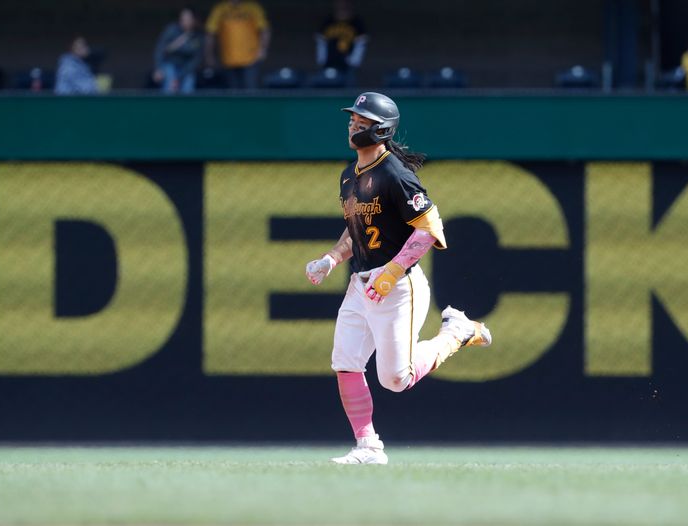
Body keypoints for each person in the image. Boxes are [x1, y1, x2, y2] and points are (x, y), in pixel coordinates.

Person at [305, 92, 492, 465]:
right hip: (361, 283)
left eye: (363, 121)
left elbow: (429, 228)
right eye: (353, 119)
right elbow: (356, 229)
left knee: (396, 379)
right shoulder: (349, 175)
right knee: (345, 361)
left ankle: (457, 332)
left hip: (397, 285)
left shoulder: (394, 174)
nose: (354, 124)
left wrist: (390, 274)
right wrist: (330, 258)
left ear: (382, 129)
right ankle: (368, 446)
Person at [205, 0, 271, 90]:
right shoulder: (220, 9)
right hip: (228, 59)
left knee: (251, 91)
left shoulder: (252, 7)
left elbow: (264, 30)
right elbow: (210, 33)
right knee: (233, 93)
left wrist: (263, 49)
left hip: (251, 59)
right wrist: (210, 55)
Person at [315, 0, 368, 85]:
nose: (342, 5)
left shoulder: (357, 22)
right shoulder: (328, 21)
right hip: (328, 63)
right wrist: (321, 60)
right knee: (323, 86)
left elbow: (361, 43)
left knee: (348, 86)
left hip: (348, 65)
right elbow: (321, 42)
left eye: (345, 3)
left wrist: (354, 61)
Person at [153, 7, 204, 94]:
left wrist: (179, 78)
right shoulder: (172, 30)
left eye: (188, 18)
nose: (185, 21)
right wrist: (158, 68)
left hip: (186, 68)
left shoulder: (198, 36)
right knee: (169, 83)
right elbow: (160, 49)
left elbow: (195, 60)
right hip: (169, 64)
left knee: (188, 84)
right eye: (183, 18)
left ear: (194, 20)